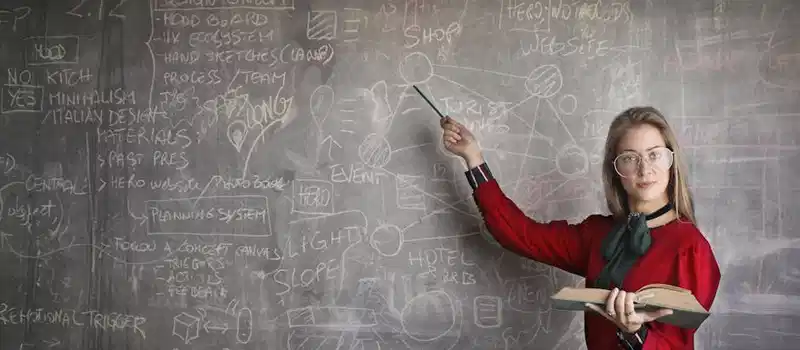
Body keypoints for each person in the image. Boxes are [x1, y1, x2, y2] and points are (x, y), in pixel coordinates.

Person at [439, 106, 721, 350]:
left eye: (654, 155)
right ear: (616, 172)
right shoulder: (597, 234)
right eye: (630, 158)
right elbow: (518, 234)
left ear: (672, 162)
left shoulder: (690, 249)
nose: (644, 170)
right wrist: (473, 157)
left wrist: (634, 333)